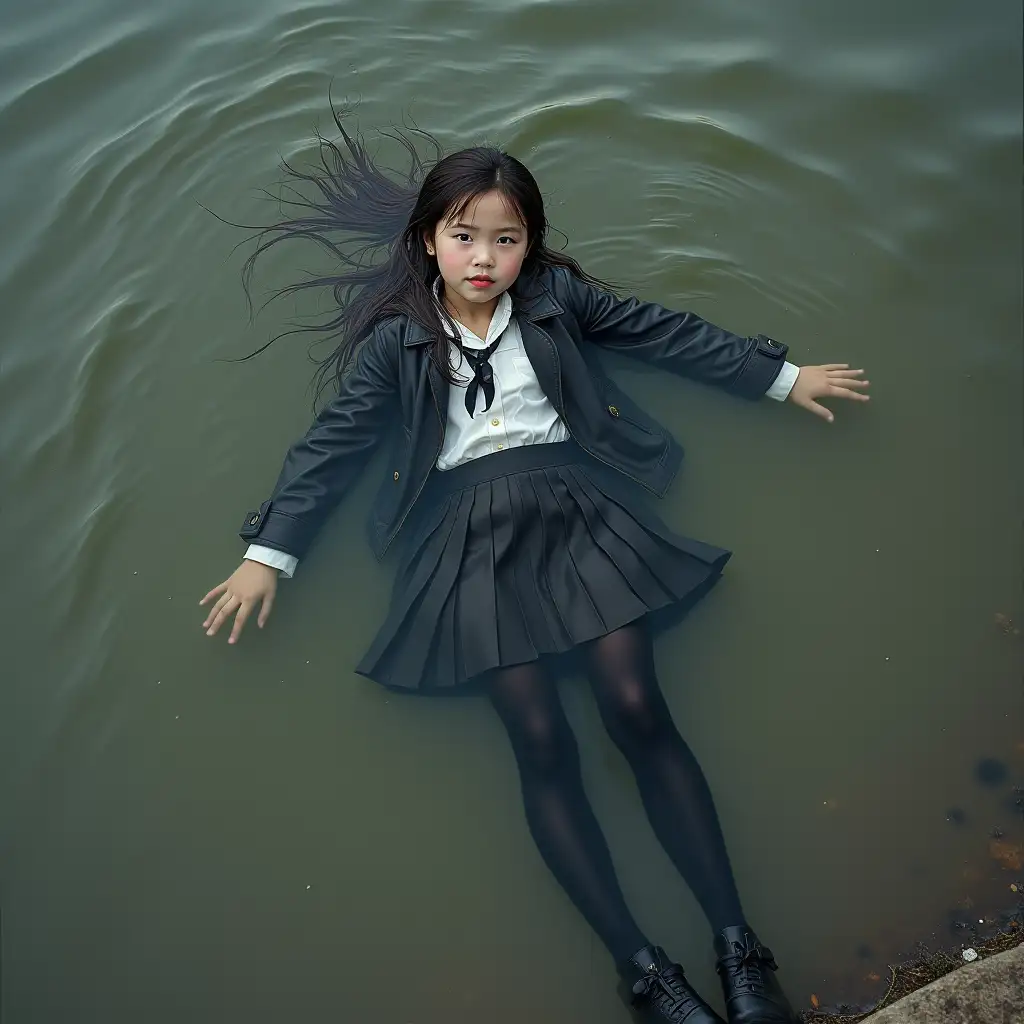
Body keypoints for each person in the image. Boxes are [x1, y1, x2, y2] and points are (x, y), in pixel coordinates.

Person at [200, 109, 869, 1024]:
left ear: (530, 246)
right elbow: (327, 450)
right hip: (463, 538)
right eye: (464, 235)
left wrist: (783, 377)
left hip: (578, 510)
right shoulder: (396, 344)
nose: (484, 257)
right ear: (428, 240)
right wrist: (265, 556)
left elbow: (665, 330)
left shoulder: (558, 300)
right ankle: (643, 972)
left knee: (636, 706)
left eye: (505, 239)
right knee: (542, 740)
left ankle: (741, 952)